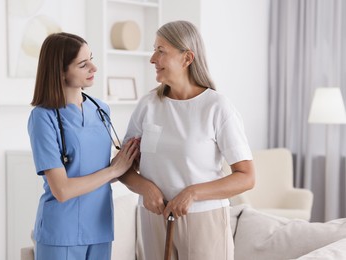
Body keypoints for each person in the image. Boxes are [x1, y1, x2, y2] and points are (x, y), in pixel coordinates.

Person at [119, 20, 255, 260]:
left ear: (187, 58)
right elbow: (123, 167)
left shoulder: (217, 107)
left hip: (204, 220)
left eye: (161, 51)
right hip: (153, 217)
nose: (152, 58)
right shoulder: (148, 105)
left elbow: (246, 177)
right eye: (154, 50)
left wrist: (192, 193)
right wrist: (145, 188)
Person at [27, 32, 139, 260]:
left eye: (92, 59)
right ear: (60, 71)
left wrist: (125, 163)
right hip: (61, 232)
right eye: (83, 64)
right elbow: (62, 190)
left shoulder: (101, 109)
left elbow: (97, 172)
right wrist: (114, 170)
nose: (94, 68)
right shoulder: (43, 117)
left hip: (100, 227)